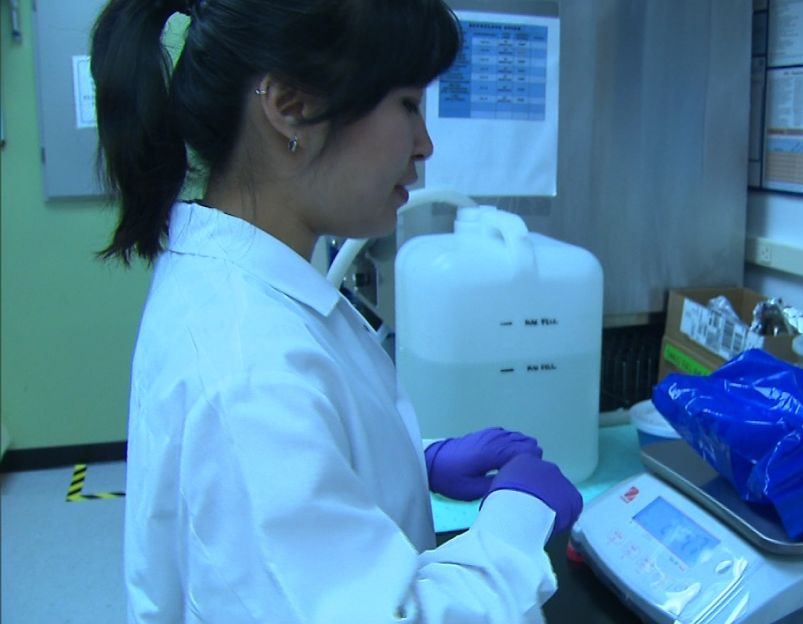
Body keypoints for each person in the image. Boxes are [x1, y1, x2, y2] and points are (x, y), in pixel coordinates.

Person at [90, 0, 583, 622]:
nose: (425, 145)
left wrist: (414, 457)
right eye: (407, 104)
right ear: (290, 106)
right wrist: (516, 520)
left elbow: (293, 462)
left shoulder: (240, 282)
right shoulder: (245, 367)